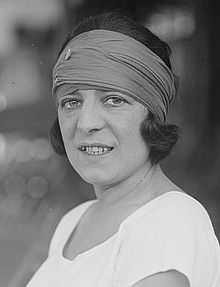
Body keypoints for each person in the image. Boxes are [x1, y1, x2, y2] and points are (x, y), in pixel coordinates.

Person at [26, 12, 220, 287]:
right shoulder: (73, 222)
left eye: (114, 100)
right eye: (71, 102)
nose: (87, 123)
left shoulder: (172, 222)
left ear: (153, 114)